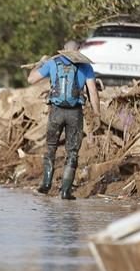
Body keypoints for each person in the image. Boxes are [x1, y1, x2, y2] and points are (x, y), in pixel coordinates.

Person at [27, 40, 100, 200]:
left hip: (56, 112)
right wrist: (96, 115)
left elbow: (31, 79)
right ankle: (66, 191)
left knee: (51, 147)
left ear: (63, 50)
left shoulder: (52, 63)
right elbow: (93, 93)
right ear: (78, 50)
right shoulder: (86, 67)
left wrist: (39, 63)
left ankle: (46, 185)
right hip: (75, 113)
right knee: (72, 152)